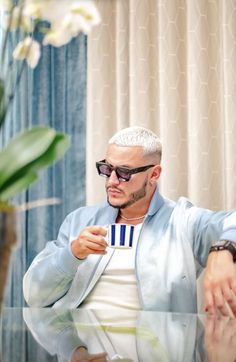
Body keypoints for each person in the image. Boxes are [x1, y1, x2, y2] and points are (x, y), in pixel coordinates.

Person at [23, 126, 236, 316]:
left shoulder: (183, 221)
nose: (112, 182)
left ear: (154, 174)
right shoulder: (80, 220)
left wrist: (224, 250)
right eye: (107, 169)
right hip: (82, 348)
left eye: (124, 173)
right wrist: (72, 253)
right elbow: (33, 295)